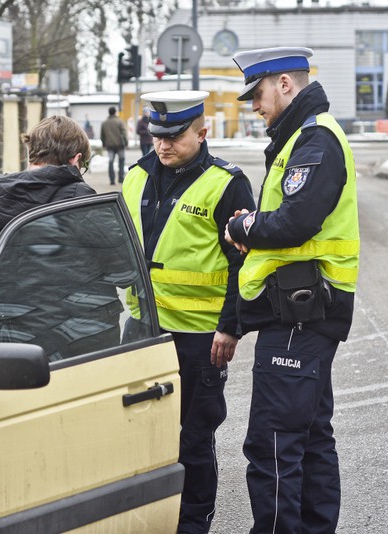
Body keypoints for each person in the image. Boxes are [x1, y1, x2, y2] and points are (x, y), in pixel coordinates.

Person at [225, 47, 359, 534]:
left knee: (274, 444)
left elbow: (297, 220)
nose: (254, 106)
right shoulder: (301, 137)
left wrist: (244, 225)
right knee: (309, 437)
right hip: (301, 313)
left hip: (301, 313)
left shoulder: (314, 138)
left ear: (285, 84)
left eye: (257, 95)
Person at [121, 90, 255, 533]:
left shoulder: (227, 183)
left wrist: (230, 327)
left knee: (194, 442)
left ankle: (192, 526)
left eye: (174, 137)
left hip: (202, 339)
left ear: (203, 131)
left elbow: (244, 264)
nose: (163, 145)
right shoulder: (136, 176)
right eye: (157, 136)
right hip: (144, 334)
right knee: (142, 442)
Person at [0, 115, 127, 361]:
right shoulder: (82, 201)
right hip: (86, 345)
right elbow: (126, 271)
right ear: (76, 159)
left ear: (31, 153)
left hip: (16, 343)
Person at [0, 114, 95, 277]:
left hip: (3, 302)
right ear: (75, 159)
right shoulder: (79, 196)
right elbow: (117, 264)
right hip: (68, 301)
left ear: (31, 151)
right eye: (82, 166)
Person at [100, 106, 128, 185]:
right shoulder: (120, 121)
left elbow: (102, 136)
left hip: (110, 146)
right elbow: (124, 133)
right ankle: (120, 178)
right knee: (121, 161)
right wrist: (126, 142)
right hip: (120, 145)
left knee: (111, 162)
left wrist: (104, 144)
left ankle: (112, 180)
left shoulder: (104, 123)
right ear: (115, 112)